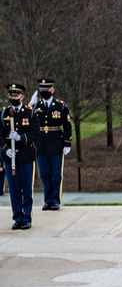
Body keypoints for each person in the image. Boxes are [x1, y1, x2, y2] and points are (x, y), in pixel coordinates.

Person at [31, 78, 72, 211]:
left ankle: (55, 200)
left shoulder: (60, 106)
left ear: (52, 90)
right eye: (42, 90)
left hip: (55, 142)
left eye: (46, 90)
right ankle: (47, 200)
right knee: (44, 174)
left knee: (56, 174)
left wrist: (67, 143)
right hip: (42, 143)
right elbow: (28, 120)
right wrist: (31, 104)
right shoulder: (37, 106)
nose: (44, 92)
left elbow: (67, 125)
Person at [1, 83, 38, 230]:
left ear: (22, 96)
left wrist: (20, 138)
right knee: (14, 189)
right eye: (11, 95)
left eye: (16, 95)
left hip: (25, 156)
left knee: (26, 189)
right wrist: (5, 149)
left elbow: (35, 134)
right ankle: (17, 217)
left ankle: (27, 217)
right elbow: (0, 136)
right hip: (10, 157)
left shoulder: (30, 113)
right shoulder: (4, 114)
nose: (13, 97)